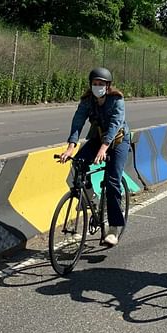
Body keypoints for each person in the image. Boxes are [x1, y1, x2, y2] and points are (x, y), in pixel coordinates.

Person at [58, 67, 130, 247]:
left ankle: (113, 228)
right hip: (98, 138)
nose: (98, 87)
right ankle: (90, 197)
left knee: (112, 180)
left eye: (101, 84)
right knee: (78, 164)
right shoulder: (87, 101)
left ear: (108, 86)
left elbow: (115, 125)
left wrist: (103, 149)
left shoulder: (117, 100)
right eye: (95, 84)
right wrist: (70, 147)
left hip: (118, 141)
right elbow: (78, 121)